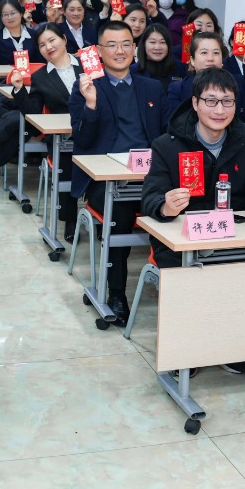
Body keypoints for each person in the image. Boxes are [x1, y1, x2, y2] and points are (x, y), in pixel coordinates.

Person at [139, 67, 245, 374]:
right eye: (211, 101)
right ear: (195, 103)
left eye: (227, 101)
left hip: (235, 238)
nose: (219, 110)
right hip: (182, 241)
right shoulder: (167, 144)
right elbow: (150, 197)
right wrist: (165, 205)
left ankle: (228, 344)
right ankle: (185, 351)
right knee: (190, 277)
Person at [68, 21, 166, 324]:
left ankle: (173, 287)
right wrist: (91, 104)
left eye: (126, 44)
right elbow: (82, 140)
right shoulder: (86, 86)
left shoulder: (151, 87)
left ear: (134, 48)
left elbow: (164, 136)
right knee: (120, 213)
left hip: (148, 177)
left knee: (172, 208)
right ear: (98, 51)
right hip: (104, 180)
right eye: (111, 45)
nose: (120, 51)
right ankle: (117, 293)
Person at [0, 24, 82, 238]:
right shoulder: (41, 77)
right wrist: (19, 89)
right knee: (67, 162)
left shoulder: (88, 66)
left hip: (97, 131)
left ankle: (103, 216)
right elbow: (34, 113)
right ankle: (70, 218)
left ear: (64, 39)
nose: (48, 47)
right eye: (42, 45)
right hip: (64, 136)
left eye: (52, 40)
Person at [161, 32, 245, 144]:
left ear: (222, 60)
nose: (210, 58)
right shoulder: (178, 89)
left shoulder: (238, 84)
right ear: (192, 60)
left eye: (216, 53)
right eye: (204, 53)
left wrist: (241, 106)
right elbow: (174, 128)